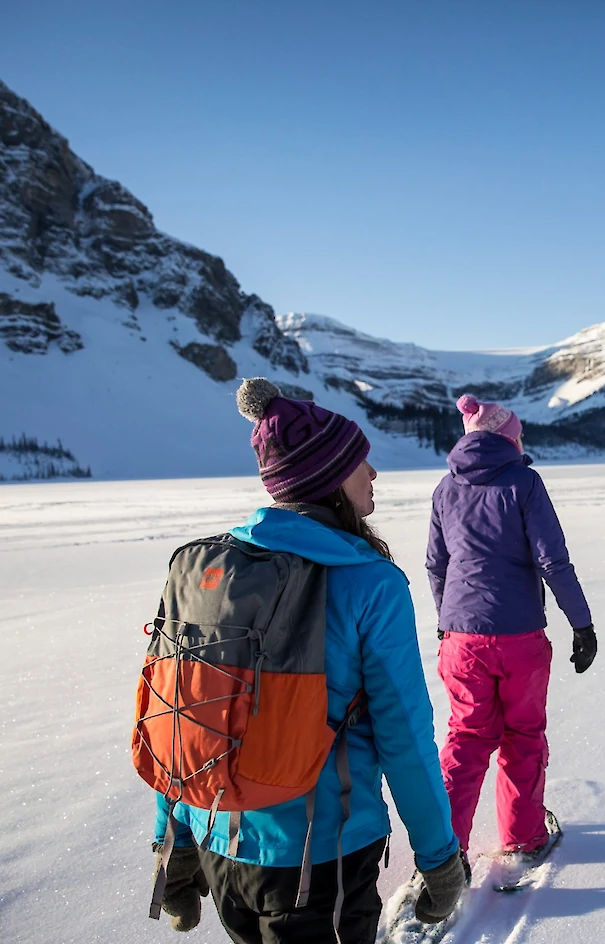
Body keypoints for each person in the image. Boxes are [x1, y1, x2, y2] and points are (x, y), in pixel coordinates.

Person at [149, 378, 465, 943]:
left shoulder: (202, 569)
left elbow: (181, 713)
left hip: (218, 843)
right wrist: (439, 858)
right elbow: (405, 739)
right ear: (327, 479)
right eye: (360, 462)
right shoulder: (368, 582)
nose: (373, 474)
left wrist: (173, 847)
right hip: (321, 861)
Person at [426, 394, 597, 866]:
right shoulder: (525, 482)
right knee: (522, 735)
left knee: (465, 737)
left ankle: (444, 851)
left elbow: (435, 564)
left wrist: (448, 622)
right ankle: (523, 838)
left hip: (461, 640)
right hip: (519, 637)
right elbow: (553, 561)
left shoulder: (445, 487)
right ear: (508, 437)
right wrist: (582, 625)